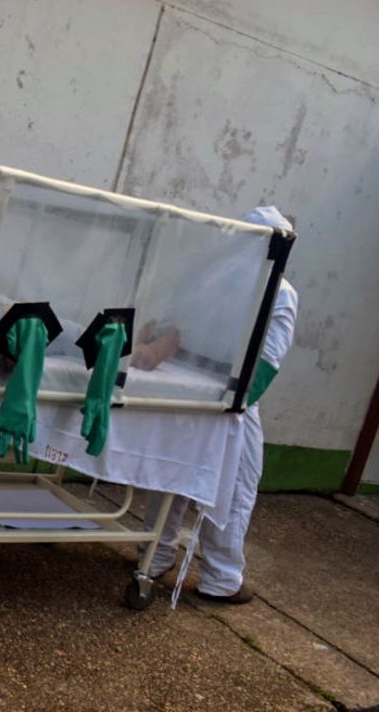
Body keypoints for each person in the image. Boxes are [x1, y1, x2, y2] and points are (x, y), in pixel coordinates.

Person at [142, 205, 299, 604]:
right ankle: (220, 580)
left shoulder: (208, 279)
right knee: (233, 488)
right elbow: (266, 364)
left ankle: (154, 556)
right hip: (234, 400)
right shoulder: (280, 291)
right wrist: (238, 406)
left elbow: (171, 328)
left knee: (172, 475)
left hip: (187, 389)